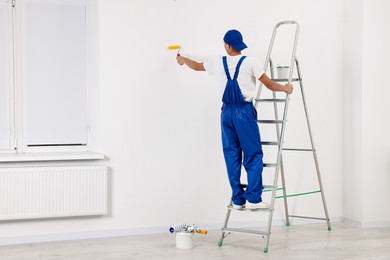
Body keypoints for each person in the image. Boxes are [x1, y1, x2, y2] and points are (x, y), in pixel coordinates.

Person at [176, 29, 293, 209]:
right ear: (238, 46)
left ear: (227, 46)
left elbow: (197, 66)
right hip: (244, 113)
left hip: (226, 113)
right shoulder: (250, 62)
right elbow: (269, 84)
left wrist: (183, 60)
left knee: (231, 155)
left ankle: (238, 199)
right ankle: (254, 199)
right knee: (253, 154)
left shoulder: (217, 62)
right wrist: (285, 88)